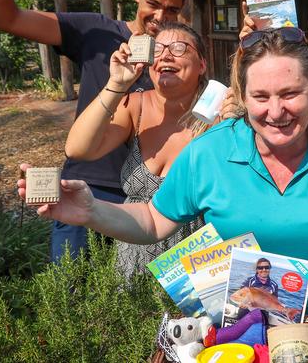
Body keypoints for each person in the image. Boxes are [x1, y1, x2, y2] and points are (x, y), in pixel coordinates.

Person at [18, 28, 308, 316]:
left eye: (290, 94)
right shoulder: (211, 151)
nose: (276, 111)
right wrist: (93, 210)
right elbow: (154, 221)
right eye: (260, 97)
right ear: (242, 93)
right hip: (227, 331)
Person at [0, 0, 191, 260]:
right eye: (153, 3)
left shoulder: (178, 56)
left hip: (147, 202)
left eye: (172, 10)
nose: (160, 17)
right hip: (86, 187)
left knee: (136, 306)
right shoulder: (96, 31)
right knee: (70, 300)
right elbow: (5, 17)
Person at [64, 22, 209, 276]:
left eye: (178, 48)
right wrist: (117, 84)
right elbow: (77, 149)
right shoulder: (135, 106)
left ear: (202, 64)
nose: (165, 54)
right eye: (158, 49)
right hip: (133, 263)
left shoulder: (218, 113)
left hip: (198, 267)